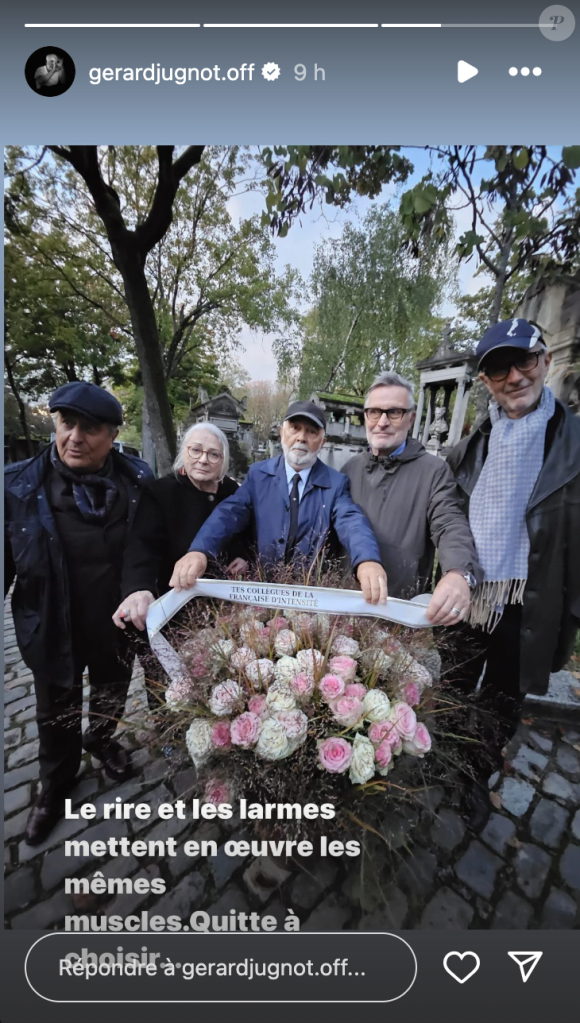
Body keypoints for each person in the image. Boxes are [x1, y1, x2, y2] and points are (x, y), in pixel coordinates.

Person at [4, 382, 153, 845]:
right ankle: (56, 785)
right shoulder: (18, 485)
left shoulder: (138, 481)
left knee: (111, 691)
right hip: (52, 621)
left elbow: (148, 547)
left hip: (115, 620)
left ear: (111, 435)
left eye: (90, 429)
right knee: (55, 711)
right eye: (67, 424)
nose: (75, 437)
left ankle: (102, 740)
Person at [446, 318, 580, 770]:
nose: (515, 377)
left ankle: (476, 774)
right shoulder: (467, 448)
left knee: (502, 701)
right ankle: (443, 763)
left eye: (524, 360)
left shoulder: (575, 442)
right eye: (500, 369)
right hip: (469, 592)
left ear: (546, 360)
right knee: (452, 685)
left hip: (531, 599)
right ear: (486, 381)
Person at [169, 400, 388, 603]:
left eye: (311, 432)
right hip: (261, 593)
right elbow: (229, 513)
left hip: (310, 598)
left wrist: (367, 559)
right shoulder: (258, 475)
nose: (301, 438)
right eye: (295, 428)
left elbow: (351, 521)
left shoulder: (335, 483)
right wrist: (200, 550)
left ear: (322, 442)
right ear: (282, 432)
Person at [342, 371, 482, 626]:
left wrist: (459, 572)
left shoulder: (433, 471)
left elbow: (449, 523)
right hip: (347, 608)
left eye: (394, 412)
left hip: (400, 612)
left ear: (411, 418)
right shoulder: (350, 469)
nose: (382, 421)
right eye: (374, 412)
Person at [112, 422, 249, 633]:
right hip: (173, 604)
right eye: (195, 450)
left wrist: (244, 556)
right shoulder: (161, 492)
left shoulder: (233, 492)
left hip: (223, 609)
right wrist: (138, 588)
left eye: (214, 455)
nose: (203, 460)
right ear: (183, 451)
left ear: (223, 460)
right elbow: (142, 547)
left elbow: (246, 531)